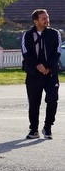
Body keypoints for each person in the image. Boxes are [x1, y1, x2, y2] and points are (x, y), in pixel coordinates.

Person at [21, 8, 61, 139]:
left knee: (52, 100)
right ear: (35, 21)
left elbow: (57, 52)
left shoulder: (55, 34)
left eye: (47, 17)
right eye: (44, 18)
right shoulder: (27, 35)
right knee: (34, 103)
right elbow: (26, 53)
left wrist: (47, 67)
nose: (47, 20)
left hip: (50, 74)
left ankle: (48, 127)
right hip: (34, 74)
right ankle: (34, 129)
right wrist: (38, 65)